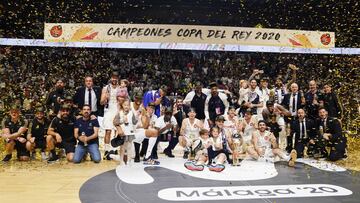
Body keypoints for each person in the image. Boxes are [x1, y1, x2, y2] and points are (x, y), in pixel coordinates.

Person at [100, 72, 121, 160]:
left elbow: (125, 100)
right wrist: (105, 97)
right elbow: (101, 102)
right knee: (108, 131)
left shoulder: (121, 88)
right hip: (108, 110)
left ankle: (114, 149)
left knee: (117, 132)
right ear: (111, 78)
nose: (114, 79)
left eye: (116, 77)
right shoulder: (106, 88)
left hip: (118, 110)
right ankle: (106, 150)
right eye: (113, 77)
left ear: (118, 78)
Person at [113, 99, 137, 165]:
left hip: (130, 132)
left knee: (129, 147)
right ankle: (121, 160)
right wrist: (122, 120)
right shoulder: (119, 113)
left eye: (128, 105)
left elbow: (134, 122)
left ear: (130, 106)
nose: (126, 106)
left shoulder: (132, 113)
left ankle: (129, 161)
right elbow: (115, 122)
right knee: (122, 147)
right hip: (123, 132)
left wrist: (137, 116)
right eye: (125, 105)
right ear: (122, 105)